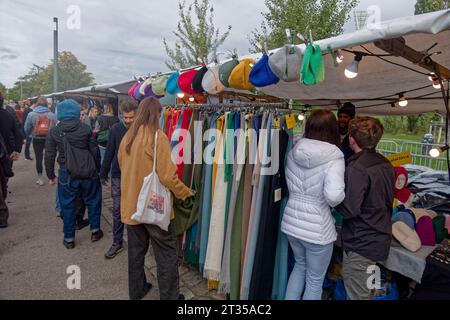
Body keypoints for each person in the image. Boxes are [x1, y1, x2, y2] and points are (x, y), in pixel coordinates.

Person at [118, 97, 193, 300]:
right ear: (156, 114)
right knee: (166, 254)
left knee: (135, 254)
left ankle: (137, 290)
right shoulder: (157, 137)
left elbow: (123, 168)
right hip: (154, 207)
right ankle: (170, 297)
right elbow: (168, 176)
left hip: (130, 207)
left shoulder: (128, 137)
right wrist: (185, 192)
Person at [281, 109, 345, 300]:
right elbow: (334, 196)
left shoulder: (294, 151)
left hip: (292, 222)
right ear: (333, 130)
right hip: (318, 229)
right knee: (315, 280)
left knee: (299, 268)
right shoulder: (335, 157)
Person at [336, 117, 395, 300]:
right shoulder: (386, 163)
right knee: (366, 292)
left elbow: (350, 209)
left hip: (361, 241)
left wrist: (332, 199)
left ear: (352, 139)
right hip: (379, 238)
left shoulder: (357, 168)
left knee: (357, 295)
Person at [45, 99, 103, 249]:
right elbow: (94, 150)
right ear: (76, 112)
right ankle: (95, 231)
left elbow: (50, 155)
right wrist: (97, 169)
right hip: (88, 171)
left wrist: (51, 175)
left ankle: (69, 238)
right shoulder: (85, 129)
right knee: (93, 200)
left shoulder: (54, 131)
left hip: (66, 172)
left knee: (68, 204)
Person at [100, 100, 138, 259]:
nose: (128, 121)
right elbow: (109, 152)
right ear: (121, 115)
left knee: (136, 211)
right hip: (118, 175)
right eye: (125, 117)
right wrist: (103, 173)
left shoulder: (142, 129)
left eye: (131, 117)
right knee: (117, 210)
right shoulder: (115, 129)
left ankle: (137, 244)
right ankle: (117, 242)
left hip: (136, 176)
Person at [0, 94, 22, 228]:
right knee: (4, 178)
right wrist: (17, 150)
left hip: (4, 152)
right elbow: (17, 132)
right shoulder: (8, 114)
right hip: (7, 152)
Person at [24, 96, 57, 186]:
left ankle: (40, 178)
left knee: (39, 158)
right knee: (49, 157)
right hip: (49, 139)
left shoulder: (31, 114)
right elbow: (56, 127)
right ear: (46, 104)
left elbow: (26, 128)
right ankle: (51, 176)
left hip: (37, 139)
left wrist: (31, 134)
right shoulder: (51, 114)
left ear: (37, 104)